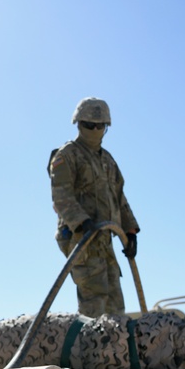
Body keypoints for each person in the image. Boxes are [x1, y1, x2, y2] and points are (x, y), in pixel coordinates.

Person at [48, 97, 140, 317]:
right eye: (90, 125)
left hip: (106, 240)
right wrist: (82, 222)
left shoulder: (108, 160)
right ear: (79, 124)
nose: (95, 130)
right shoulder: (67, 155)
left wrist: (130, 231)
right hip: (81, 239)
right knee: (94, 302)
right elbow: (61, 195)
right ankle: (91, 351)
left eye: (100, 126)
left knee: (115, 305)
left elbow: (119, 197)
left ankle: (115, 350)